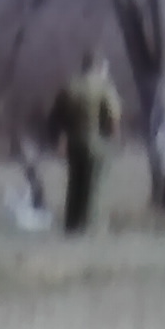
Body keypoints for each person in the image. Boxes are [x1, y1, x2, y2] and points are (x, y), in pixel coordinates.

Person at [48, 51, 124, 235]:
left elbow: (54, 119)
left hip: (74, 143)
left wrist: (60, 141)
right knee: (94, 188)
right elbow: (112, 118)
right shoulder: (104, 87)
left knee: (75, 186)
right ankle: (91, 229)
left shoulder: (69, 86)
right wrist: (115, 141)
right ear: (99, 66)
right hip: (97, 142)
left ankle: (71, 227)